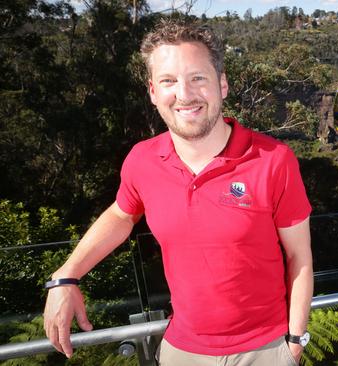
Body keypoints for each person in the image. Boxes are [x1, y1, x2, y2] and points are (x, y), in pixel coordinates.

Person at [43, 19, 313, 366]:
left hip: (266, 350)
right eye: (169, 81)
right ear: (154, 91)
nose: (184, 94)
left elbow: (299, 257)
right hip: (182, 350)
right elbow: (122, 214)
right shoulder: (142, 160)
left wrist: (293, 342)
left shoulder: (274, 160)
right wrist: (65, 276)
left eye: (198, 78)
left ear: (222, 84)